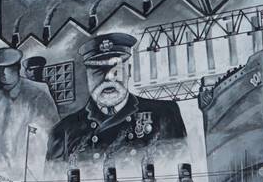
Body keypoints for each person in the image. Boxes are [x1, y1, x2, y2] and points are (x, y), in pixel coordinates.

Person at [46, 33, 185, 162]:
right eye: (98, 71)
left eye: (116, 69)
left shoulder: (165, 114)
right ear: (87, 76)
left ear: (128, 71)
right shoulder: (63, 132)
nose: (108, 77)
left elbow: (181, 167)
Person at [0, 46, 59, 180]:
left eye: (9, 68)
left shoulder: (38, 92)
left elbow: (54, 132)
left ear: (18, 67)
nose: (4, 73)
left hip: (28, 171)